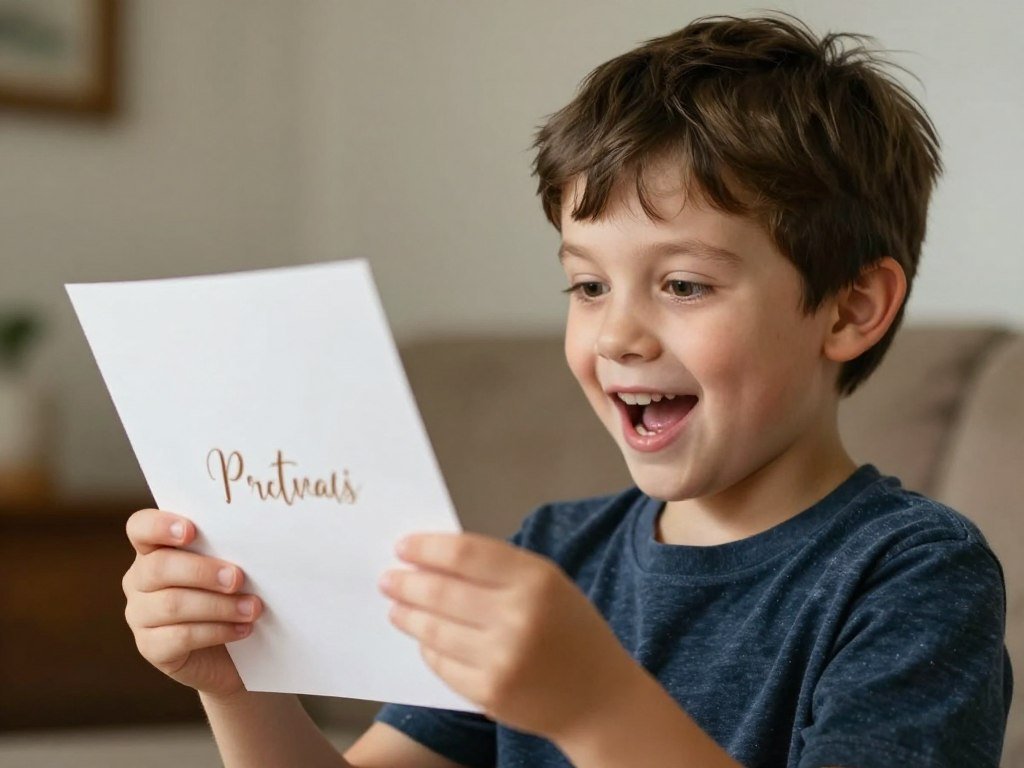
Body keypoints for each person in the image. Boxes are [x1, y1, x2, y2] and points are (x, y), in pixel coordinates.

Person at [122, 13, 1012, 768]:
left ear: (853, 309)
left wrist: (591, 705)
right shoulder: (551, 554)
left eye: (685, 285)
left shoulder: (913, 576)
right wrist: (242, 689)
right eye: (588, 286)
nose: (618, 335)